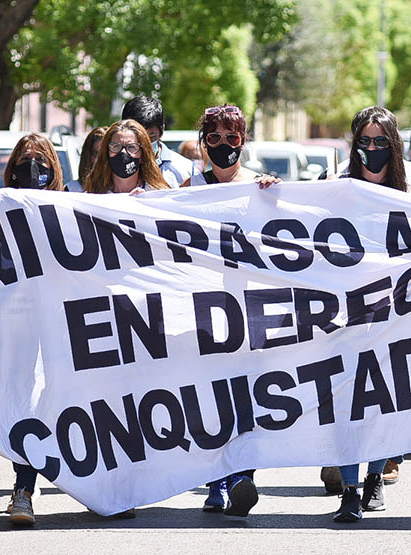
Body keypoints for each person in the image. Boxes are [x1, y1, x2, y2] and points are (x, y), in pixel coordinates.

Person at [329, 105, 411, 522]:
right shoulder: (336, 185)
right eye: (365, 141)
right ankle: (348, 488)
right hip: (346, 313)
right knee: (346, 403)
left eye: (380, 141)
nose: (372, 149)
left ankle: (376, 475)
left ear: (394, 145)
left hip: (397, 312)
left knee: (381, 401)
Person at [182, 104, 277, 518]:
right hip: (203, 309)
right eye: (214, 138)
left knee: (247, 398)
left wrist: (276, 196)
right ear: (204, 143)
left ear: (244, 141)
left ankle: (243, 477)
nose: (223, 146)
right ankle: (216, 484)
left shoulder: (260, 186)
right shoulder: (190, 185)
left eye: (231, 138)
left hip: (250, 311)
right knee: (212, 401)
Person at [1, 133, 64, 526]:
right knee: (25, 403)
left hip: (65, 324)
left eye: (41, 159)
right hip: (20, 323)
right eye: (25, 159)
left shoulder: (72, 204)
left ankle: (103, 485)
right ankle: (23, 489)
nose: (33, 167)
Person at [121, 95, 195, 187]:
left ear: (162, 130)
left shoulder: (187, 170)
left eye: (151, 137)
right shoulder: (110, 168)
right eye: (137, 137)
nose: (144, 144)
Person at [84, 120, 168, 194]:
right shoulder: (93, 196)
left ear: (143, 155)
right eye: (116, 146)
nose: (123, 152)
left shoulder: (157, 195)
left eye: (131, 147)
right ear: (106, 152)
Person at [65, 126, 108, 192]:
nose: (102, 159)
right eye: (97, 154)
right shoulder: (71, 190)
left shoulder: (124, 191)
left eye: (106, 154)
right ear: (88, 157)